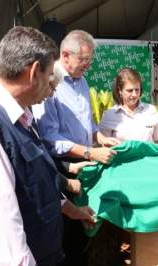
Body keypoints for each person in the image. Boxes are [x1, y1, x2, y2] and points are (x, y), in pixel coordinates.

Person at [0, 26, 96, 266]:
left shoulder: (20, 118)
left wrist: (73, 210)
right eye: (50, 76)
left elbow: (34, 183)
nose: (52, 90)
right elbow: (2, 234)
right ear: (33, 74)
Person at [33, 29, 119, 266]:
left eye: (90, 60)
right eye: (84, 60)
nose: (87, 66)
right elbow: (49, 137)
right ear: (65, 55)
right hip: (61, 168)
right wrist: (90, 152)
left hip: (83, 165)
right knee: (65, 236)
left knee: (82, 233)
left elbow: (87, 120)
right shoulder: (51, 83)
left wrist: (99, 137)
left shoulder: (82, 82)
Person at [97, 67, 158, 264]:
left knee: (144, 216)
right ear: (119, 91)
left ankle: (147, 256)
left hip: (148, 175)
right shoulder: (110, 115)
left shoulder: (151, 111)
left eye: (137, 90)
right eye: (129, 90)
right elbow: (102, 144)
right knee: (119, 221)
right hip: (121, 177)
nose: (134, 94)